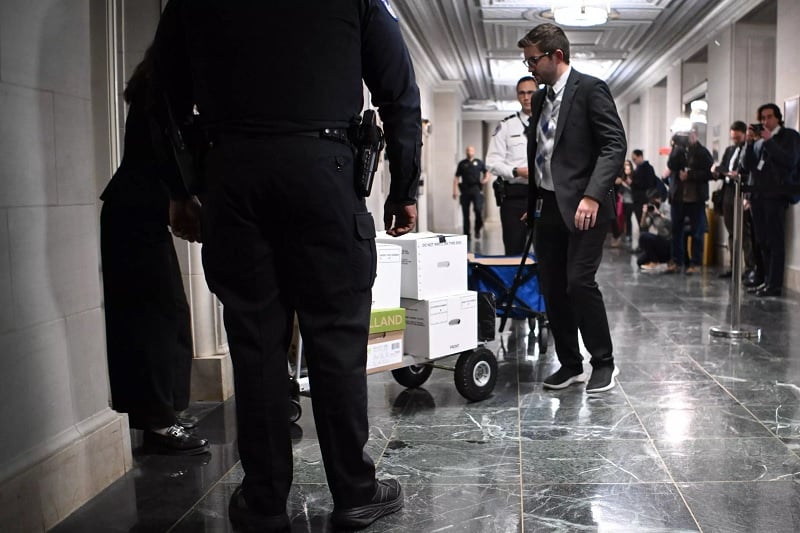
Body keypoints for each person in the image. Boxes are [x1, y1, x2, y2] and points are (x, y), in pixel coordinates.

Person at [153, 2, 420, 531]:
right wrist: (403, 188)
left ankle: (265, 499)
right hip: (324, 173)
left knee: (254, 344)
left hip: (233, 176)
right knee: (338, 342)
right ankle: (354, 492)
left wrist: (180, 190)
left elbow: (165, 98)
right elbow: (399, 92)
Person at [100, 49, 208, 455]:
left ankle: (159, 417)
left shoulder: (155, 92)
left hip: (134, 212)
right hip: (136, 211)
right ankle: (160, 423)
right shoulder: (162, 95)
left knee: (159, 317)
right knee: (160, 318)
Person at [519, 23, 626, 393]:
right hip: (547, 206)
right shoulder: (540, 99)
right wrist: (533, 202)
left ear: (557, 56)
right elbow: (541, 153)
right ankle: (569, 364)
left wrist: (594, 195)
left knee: (579, 282)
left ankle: (604, 362)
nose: (528, 66)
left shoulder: (591, 89)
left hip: (586, 205)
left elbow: (614, 145)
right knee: (552, 287)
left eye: (533, 59)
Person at [742, 103, 800, 297]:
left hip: (776, 195)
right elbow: (747, 165)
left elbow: (789, 161)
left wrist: (769, 141)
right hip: (758, 196)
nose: (765, 121)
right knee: (762, 240)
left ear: (778, 118)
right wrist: (749, 143)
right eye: (762, 118)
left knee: (775, 241)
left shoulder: (789, 136)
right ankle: (766, 280)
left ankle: (774, 285)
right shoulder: (759, 142)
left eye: (769, 117)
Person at [486, 76, 537, 255]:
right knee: (514, 251)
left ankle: (542, 284)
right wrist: (516, 171)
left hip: (543, 198)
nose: (526, 97)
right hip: (514, 197)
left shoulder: (550, 125)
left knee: (547, 254)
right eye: (522, 93)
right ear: (517, 96)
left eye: (531, 92)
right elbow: (491, 163)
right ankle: (514, 283)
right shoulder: (507, 126)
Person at [665, 129, 713, 274]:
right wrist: (676, 146)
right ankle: (677, 261)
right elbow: (671, 165)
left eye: (689, 135)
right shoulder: (677, 150)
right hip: (678, 197)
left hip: (695, 198)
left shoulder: (702, 152)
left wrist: (690, 175)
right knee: (676, 230)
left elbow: (709, 173)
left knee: (697, 232)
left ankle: (695, 263)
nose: (687, 138)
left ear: (696, 135)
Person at [711, 121, 754, 279]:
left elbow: (749, 169)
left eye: (737, 137)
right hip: (728, 190)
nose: (735, 140)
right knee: (731, 230)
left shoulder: (749, 148)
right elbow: (723, 166)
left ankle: (749, 266)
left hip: (742, 189)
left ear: (743, 134)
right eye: (733, 137)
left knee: (743, 230)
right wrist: (718, 171)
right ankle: (734, 266)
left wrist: (737, 174)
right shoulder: (730, 150)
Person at [453, 146, 490, 239]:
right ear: (466, 152)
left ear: (474, 152)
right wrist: (455, 191)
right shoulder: (462, 164)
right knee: (465, 213)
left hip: (476, 189)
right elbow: (456, 177)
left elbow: (487, 172)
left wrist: (485, 180)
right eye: (468, 150)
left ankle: (477, 229)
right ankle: (467, 234)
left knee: (478, 210)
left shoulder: (479, 162)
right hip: (465, 190)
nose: (469, 152)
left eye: (471, 150)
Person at [636, 191, 671, 269]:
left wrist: (659, 214)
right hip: (660, 240)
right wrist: (644, 214)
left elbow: (672, 223)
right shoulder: (651, 211)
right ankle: (655, 260)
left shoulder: (666, 207)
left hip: (669, 242)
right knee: (640, 261)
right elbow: (643, 225)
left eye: (654, 200)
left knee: (644, 236)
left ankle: (655, 261)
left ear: (659, 199)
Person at [630, 149, 658, 232]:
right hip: (639, 199)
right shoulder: (639, 169)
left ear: (640, 157)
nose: (634, 162)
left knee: (643, 223)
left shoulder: (646, 168)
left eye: (635, 159)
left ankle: (645, 242)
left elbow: (648, 184)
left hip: (643, 200)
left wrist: (633, 183)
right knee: (641, 223)